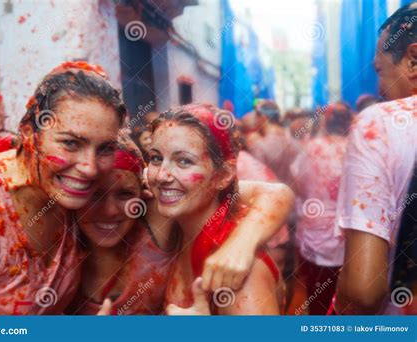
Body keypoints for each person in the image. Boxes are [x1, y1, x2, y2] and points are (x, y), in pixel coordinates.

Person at [0, 61, 126, 315]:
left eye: (105, 148)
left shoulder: (75, 195)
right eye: (71, 143)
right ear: (29, 133)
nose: (90, 168)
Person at [69, 134, 293, 315]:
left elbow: (275, 192)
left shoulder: (159, 217)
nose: (110, 210)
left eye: (125, 194)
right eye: (94, 195)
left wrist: (242, 243)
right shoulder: (58, 237)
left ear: (144, 193)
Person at [147, 104, 293, 315]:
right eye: (156, 158)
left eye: (184, 161)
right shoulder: (178, 220)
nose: (161, 175)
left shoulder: (238, 275)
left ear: (223, 175)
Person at [335, 3, 417, 314]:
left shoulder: (380, 123)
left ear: (413, 60)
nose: (380, 88)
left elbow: (363, 290)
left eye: (380, 71)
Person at [290, 103, 352, 314]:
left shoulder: (313, 147)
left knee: (318, 295)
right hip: (349, 234)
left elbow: (297, 185)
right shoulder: (356, 147)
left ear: (325, 122)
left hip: (316, 231)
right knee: (346, 297)